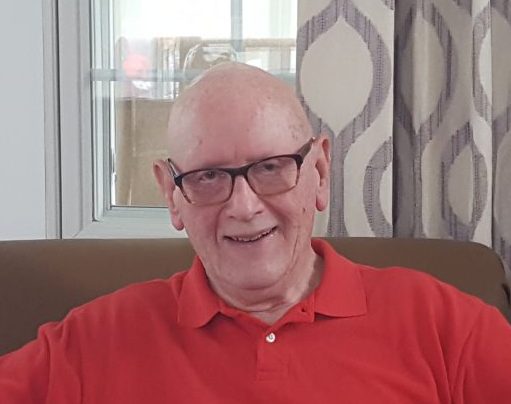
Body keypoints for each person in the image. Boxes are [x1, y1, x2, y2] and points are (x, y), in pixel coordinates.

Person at [1, 62, 511, 403]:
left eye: (270, 168)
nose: (243, 207)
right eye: (206, 177)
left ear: (320, 171)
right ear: (171, 192)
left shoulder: (444, 325)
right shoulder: (92, 341)